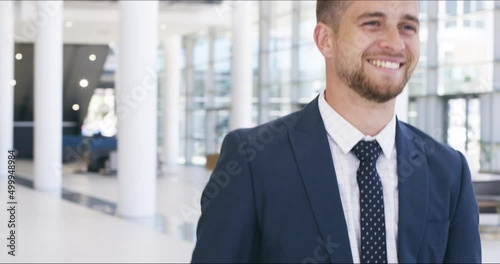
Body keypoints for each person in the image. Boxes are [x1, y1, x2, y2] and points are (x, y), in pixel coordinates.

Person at [192, 1, 482, 263]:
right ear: (325, 39)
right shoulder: (253, 160)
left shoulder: (448, 171)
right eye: (373, 23)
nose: (395, 43)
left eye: (407, 27)